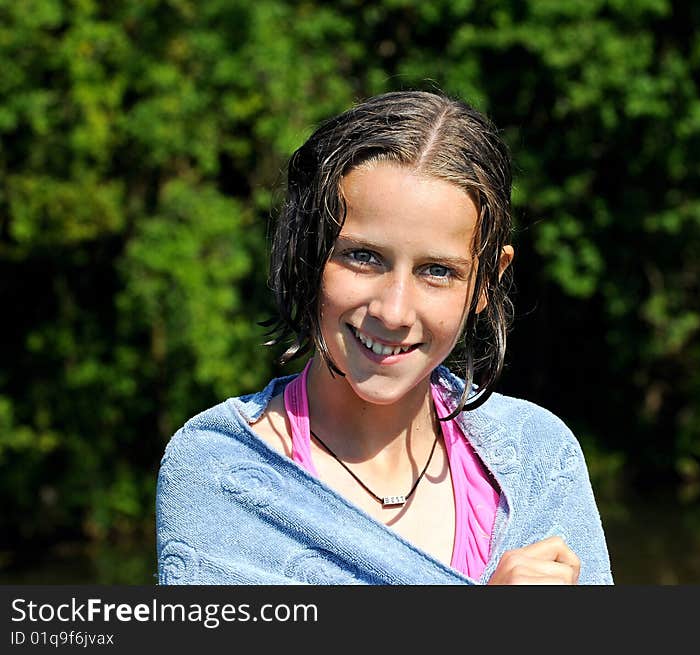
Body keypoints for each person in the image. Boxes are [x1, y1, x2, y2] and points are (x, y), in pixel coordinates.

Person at [156, 90, 613, 585]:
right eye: (364, 257)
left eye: (437, 270)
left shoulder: (538, 460)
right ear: (310, 251)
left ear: (486, 282)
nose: (393, 311)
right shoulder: (220, 471)